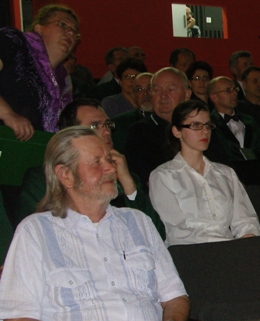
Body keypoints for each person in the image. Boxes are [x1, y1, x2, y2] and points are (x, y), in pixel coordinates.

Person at [0, 126, 227, 321]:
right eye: (98, 162)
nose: (111, 168)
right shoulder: (36, 232)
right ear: (65, 175)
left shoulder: (138, 222)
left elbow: (176, 297)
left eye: (110, 159)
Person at [14, 98, 165, 239]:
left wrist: (128, 185)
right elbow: (37, 234)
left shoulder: (126, 177)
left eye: (107, 125)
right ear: (72, 132)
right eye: (95, 126)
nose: (106, 131)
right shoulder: (43, 179)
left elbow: (157, 236)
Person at [149, 100, 260, 246]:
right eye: (196, 125)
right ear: (177, 131)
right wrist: (226, 245)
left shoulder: (226, 173)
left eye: (208, 125)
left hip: (229, 249)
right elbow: (177, 231)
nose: (205, 132)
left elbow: (245, 219)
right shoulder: (163, 176)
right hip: (190, 251)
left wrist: (248, 236)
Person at [0, 4, 78, 139]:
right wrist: (7, 114)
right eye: (62, 25)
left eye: (75, 32)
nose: (70, 33)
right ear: (39, 28)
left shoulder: (63, 81)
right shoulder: (15, 42)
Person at [208, 76, 260, 181]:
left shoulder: (248, 120)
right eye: (228, 90)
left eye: (235, 89)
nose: (234, 93)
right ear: (214, 97)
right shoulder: (210, 124)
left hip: (256, 174)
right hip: (227, 177)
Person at [111, 72, 153, 151]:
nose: (145, 93)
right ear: (133, 96)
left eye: (149, 88)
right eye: (139, 89)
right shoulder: (119, 123)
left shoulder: (170, 119)